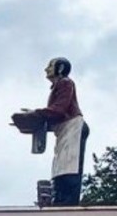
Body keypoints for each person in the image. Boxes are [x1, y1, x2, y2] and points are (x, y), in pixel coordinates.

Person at [18, 58, 89, 206]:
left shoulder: (65, 83)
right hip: (65, 129)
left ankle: (66, 201)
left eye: (50, 66)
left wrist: (37, 114)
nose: (46, 69)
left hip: (72, 127)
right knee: (62, 165)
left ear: (60, 68)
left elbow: (59, 109)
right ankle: (60, 198)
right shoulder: (60, 85)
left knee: (69, 166)